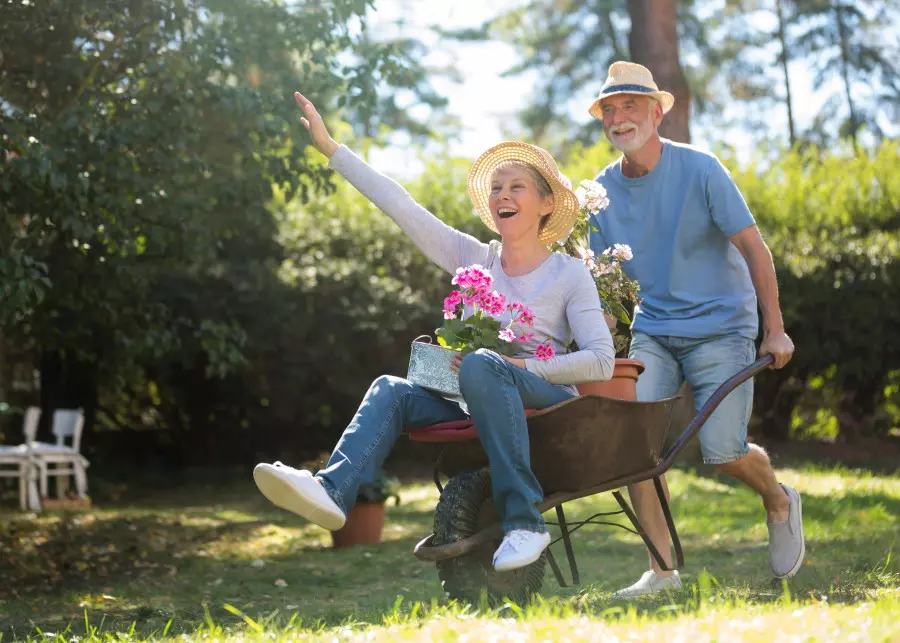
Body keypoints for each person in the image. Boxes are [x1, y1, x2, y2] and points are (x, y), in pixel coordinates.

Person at [253, 91, 615, 572]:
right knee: (391, 390)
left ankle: (525, 523)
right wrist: (331, 149)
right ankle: (333, 492)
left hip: (542, 399)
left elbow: (601, 360)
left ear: (547, 204)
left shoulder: (569, 274)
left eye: (517, 187)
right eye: (496, 187)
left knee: (486, 363)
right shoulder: (476, 258)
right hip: (472, 394)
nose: (502, 194)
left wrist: (519, 366)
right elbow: (402, 207)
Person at [585, 62, 804, 597]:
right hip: (654, 330)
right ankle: (662, 572)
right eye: (610, 110)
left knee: (723, 450)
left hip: (722, 326)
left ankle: (778, 498)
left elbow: (754, 248)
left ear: (657, 112)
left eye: (631, 106)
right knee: (635, 447)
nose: (619, 118)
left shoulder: (701, 169)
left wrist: (774, 330)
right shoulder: (598, 195)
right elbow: (603, 286)